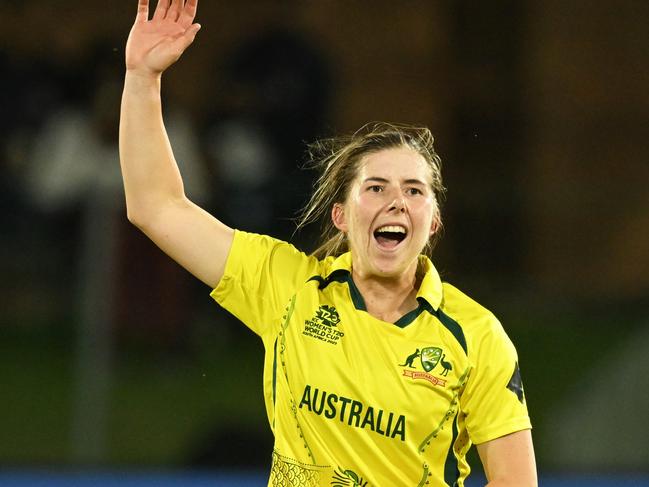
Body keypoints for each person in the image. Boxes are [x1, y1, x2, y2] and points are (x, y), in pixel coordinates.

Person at [119, 0, 538, 485]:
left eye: (414, 191)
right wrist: (141, 78)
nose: (396, 202)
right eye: (375, 187)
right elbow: (156, 206)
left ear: (434, 222)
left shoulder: (477, 336)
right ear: (341, 216)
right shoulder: (288, 288)